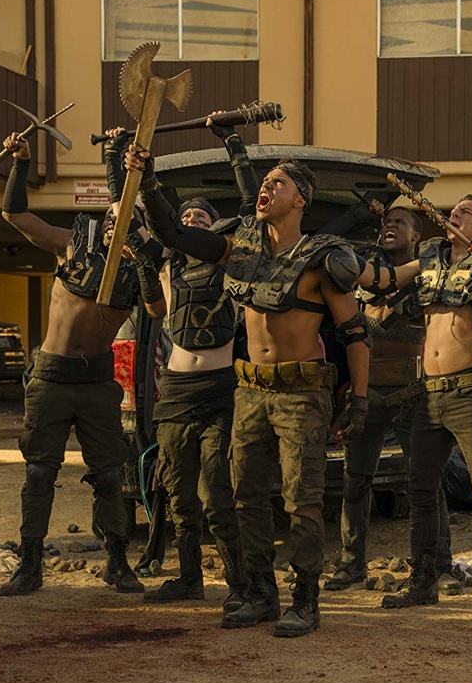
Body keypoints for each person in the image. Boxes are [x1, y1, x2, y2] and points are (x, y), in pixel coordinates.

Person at [127, 134, 370, 638]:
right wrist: (148, 180)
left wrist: (359, 400)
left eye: (277, 182)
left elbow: (354, 333)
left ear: (300, 199)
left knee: (302, 500)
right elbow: (173, 233)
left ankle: (306, 600)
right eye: (264, 181)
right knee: (246, 497)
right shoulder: (239, 251)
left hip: (302, 394)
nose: (266, 187)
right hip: (249, 391)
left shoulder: (321, 258)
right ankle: (260, 593)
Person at [367, 195, 472, 609]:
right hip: (429, 393)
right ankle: (423, 580)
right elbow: (386, 279)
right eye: (453, 211)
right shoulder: (432, 261)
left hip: (470, 391)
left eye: (465, 212)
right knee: (420, 488)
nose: (454, 215)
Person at [0, 130, 150, 597]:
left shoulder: (140, 272)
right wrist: (21, 163)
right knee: (40, 471)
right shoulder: (71, 245)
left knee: (109, 474)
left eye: (128, 220)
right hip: (51, 377)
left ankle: (118, 561)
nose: (117, 225)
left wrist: (146, 262)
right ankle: (30, 563)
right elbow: (15, 214)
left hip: (97, 381)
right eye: (113, 218)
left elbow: (162, 307)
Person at [134, 119, 259, 611]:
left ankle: (239, 583)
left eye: (202, 215)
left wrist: (234, 146)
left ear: (214, 226)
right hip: (175, 392)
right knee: (178, 494)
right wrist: (126, 164)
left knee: (218, 494)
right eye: (186, 214)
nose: (193, 218)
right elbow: (133, 222)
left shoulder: (232, 260)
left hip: (220, 390)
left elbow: (249, 208)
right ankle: (189, 578)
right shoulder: (166, 268)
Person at [324, 207, 454, 593]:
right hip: (368, 392)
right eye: (386, 222)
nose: (389, 226)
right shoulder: (363, 273)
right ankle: (351, 563)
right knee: (355, 480)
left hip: (414, 393)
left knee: (426, 482)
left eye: (400, 222)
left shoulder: (431, 275)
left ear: (416, 235)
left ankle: (438, 563)